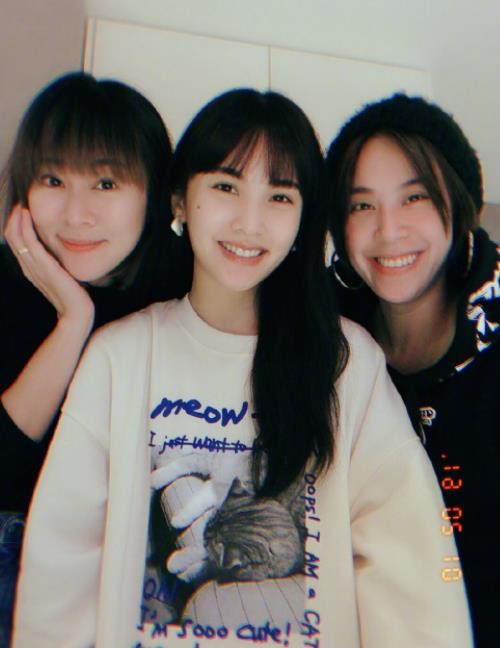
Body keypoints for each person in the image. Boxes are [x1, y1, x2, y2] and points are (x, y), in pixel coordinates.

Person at [14, 89, 472, 648]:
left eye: (279, 196)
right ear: (180, 201)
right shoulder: (120, 356)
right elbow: (61, 563)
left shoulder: (345, 362)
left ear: (304, 219)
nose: (249, 223)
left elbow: (415, 562)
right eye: (226, 187)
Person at [0, 71, 185, 647]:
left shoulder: (186, 295)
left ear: (154, 194)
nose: (76, 215)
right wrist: (72, 320)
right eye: (53, 179)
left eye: (106, 183)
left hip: (142, 568)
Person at [326, 93, 499, 648]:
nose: (389, 230)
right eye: (362, 206)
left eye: (414, 197)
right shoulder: (320, 342)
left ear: (460, 200)